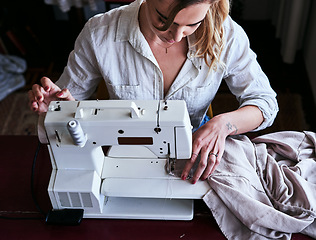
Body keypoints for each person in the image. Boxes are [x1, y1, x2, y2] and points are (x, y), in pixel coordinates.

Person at [28, 0, 278, 184]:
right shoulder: (100, 33)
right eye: (164, 21)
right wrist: (61, 108)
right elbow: (67, 106)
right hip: (120, 151)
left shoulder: (227, 34)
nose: (177, 36)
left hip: (193, 152)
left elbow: (265, 103)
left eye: (192, 24)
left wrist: (223, 124)